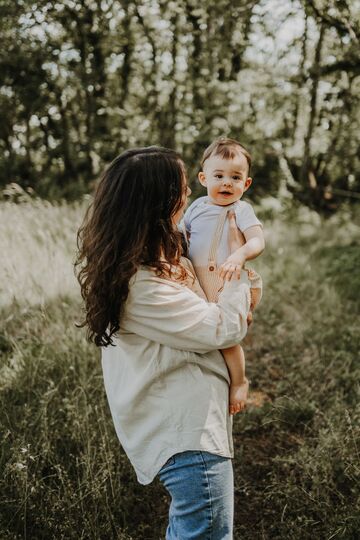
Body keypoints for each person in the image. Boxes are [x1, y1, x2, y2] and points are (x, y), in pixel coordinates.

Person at [76, 146, 252, 539]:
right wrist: (237, 274)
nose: (190, 195)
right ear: (157, 202)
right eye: (182, 188)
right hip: (185, 433)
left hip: (191, 420)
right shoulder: (140, 284)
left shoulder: (154, 255)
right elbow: (223, 328)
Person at [183, 138, 265, 416]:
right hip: (196, 280)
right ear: (204, 178)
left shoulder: (241, 210)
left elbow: (257, 241)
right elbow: (180, 237)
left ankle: (239, 381)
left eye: (235, 177)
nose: (227, 183)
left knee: (228, 337)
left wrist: (239, 255)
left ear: (247, 183)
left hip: (228, 280)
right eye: (219, 176)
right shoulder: (195, 208)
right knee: (201, 329)